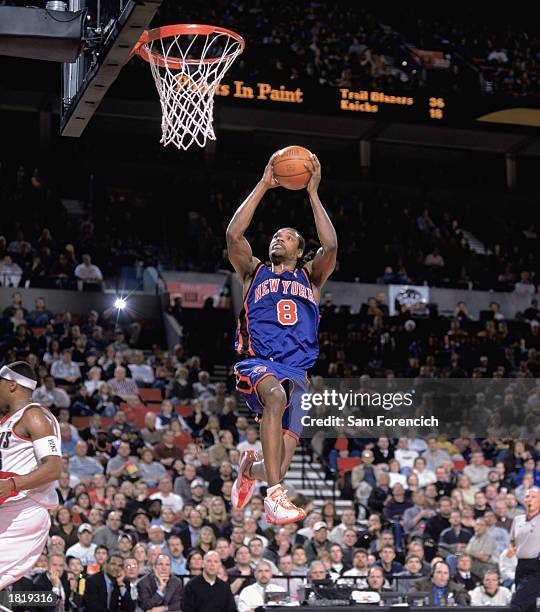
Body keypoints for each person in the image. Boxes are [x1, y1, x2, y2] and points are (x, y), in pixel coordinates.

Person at [227, 152, 337, 525]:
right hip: (257, 363)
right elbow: (233, 234)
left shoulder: (311, 277)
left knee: (278, 464)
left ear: (300, 251)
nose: (278, 238)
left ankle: (250, 472)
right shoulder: (252, 271)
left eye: (287, 236)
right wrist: (263, 184)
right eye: (276, 235)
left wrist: (313, 192)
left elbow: (331, 246)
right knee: (274, 396)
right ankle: (274, 497)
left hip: (299, 372)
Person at [0, 361, 62, 589]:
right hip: (9, 507)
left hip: (25, 510)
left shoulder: (33, 415)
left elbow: (54, 468)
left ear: (12, 386)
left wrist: (12, 484)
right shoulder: (7, 421)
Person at [509, 487, 540, 612]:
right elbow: (512, 540)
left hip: (537, 567)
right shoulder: (517, 520)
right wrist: (511, 549)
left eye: (534, 497)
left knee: (516, 604)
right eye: (527, 496)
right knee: (528, 607)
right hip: (521, 565)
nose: (529, 499)